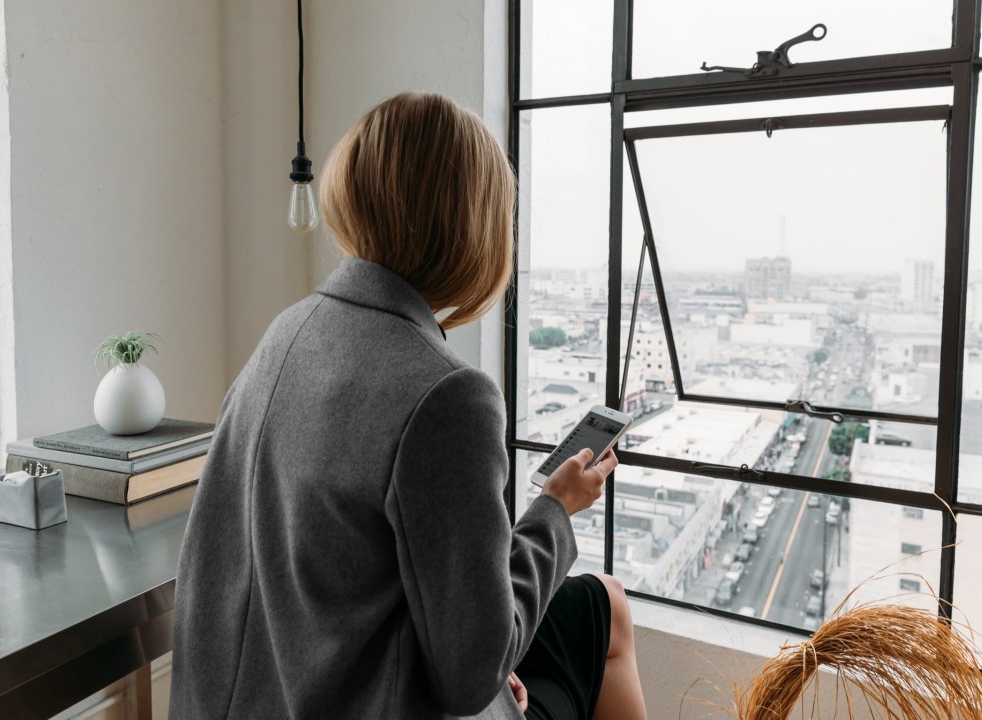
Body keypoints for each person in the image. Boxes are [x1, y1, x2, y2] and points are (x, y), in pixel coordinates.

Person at [169, 92, 648, 720]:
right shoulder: (448, 396)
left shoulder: (287, 331)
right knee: (608, 610)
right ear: (475, 227)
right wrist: (557, 508)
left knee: (602, 602)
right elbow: (471, 675)